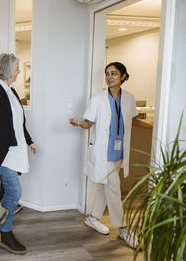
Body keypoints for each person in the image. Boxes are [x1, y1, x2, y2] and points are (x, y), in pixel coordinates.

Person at [68, 62, 152, 249]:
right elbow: (89, 123)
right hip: (103, 152)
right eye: (107, 73)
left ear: (123, 76)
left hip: (119, 152)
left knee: (103, 187)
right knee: (113, 187)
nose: (109, 76)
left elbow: (134, 119)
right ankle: (123, 229)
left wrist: (155, 128)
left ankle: (92, 218)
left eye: (114, 73)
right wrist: (78, 122)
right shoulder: (98, 99)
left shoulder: (129, 98)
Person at [0, 53, 38, 255]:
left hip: (15, 149)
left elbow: (18, 122)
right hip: (1, 153)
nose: (19, 71)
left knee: (4, 191)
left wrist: (29, 141)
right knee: (14, 192)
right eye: (17, 67)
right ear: (7, 69)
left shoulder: (10, 90)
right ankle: (5, 231)